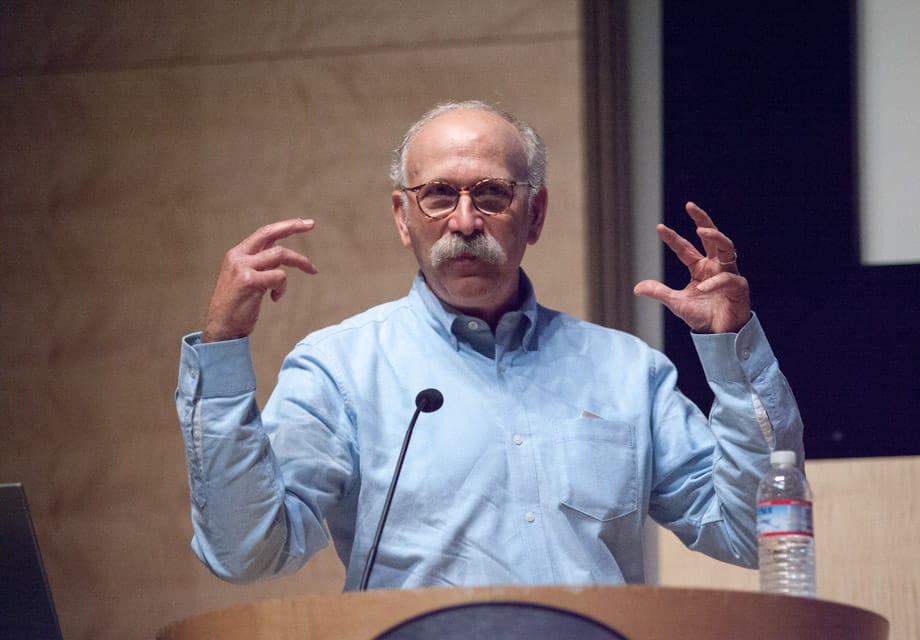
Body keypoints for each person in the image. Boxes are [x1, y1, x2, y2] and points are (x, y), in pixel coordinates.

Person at [175, 100, 803, 590]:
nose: (465, 221)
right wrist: (224, 351)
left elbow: (755, 537)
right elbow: (247, 553)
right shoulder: (341, 369)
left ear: (535, 214)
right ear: (402, 216)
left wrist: (731, 349)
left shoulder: (626, 373)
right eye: (439, 195)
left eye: (493, 194)